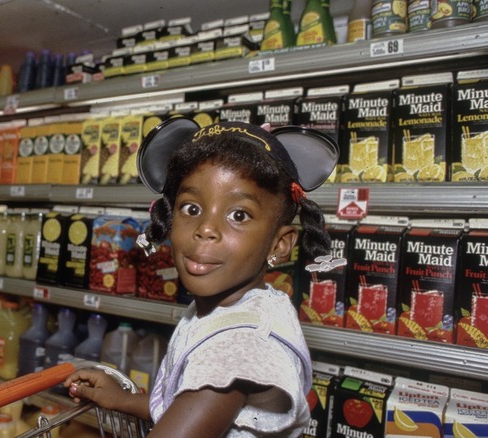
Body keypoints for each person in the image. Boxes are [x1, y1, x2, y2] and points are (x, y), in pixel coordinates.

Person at [64, 119, 339, 437]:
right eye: (191, 208)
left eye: (239, 215)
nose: (205, 228)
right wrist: (125, 400)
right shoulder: (243, 307)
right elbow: (198, 409)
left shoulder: (235, 351)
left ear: (279, 245)